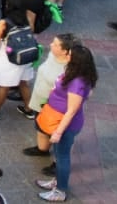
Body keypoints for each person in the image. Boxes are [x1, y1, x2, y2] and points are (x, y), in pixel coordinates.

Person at [34, 42, 98, 202]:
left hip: (64, 125)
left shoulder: (77, 83)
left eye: (69, 55)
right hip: (58, 120)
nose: (67, 55)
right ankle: (57, 182)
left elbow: (71, 111)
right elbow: (89, 94)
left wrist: (58, 132)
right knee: (58, 154)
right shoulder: (78, 75)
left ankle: (60, 190)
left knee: (62, 158)